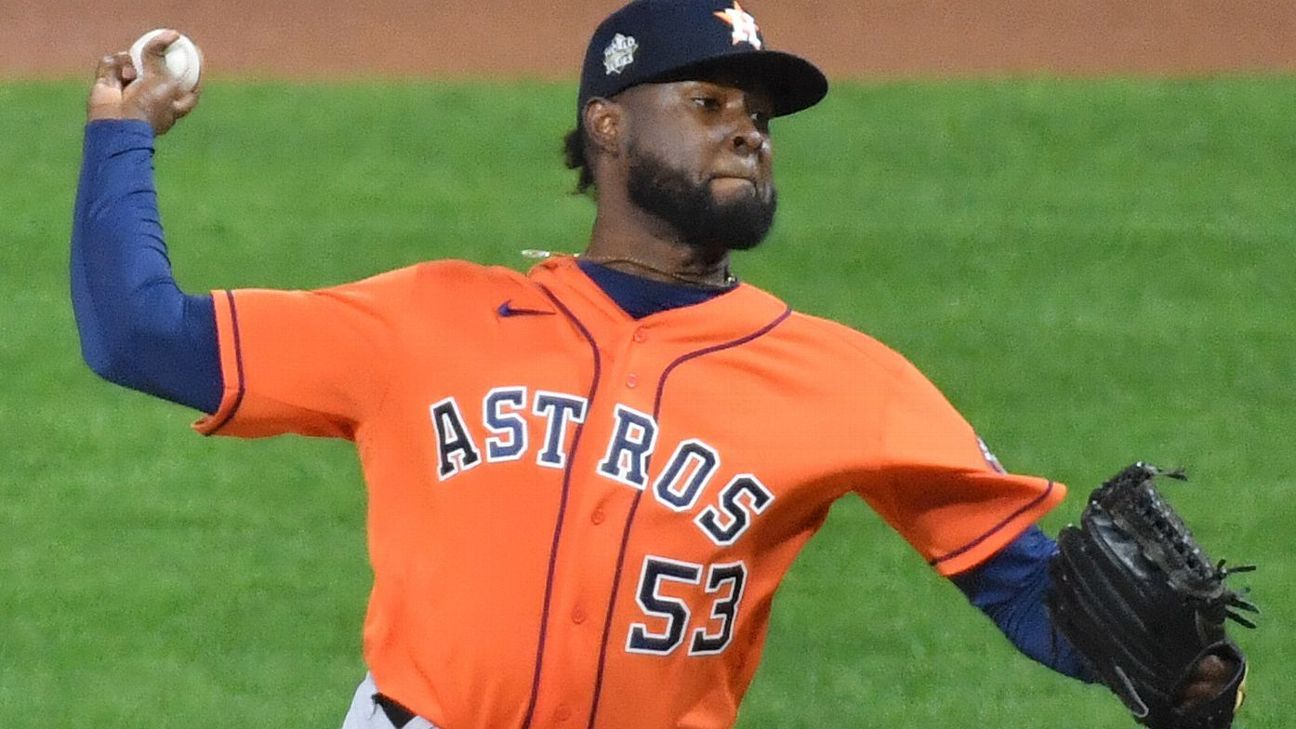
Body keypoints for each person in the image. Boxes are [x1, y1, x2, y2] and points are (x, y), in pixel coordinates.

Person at [71, 2, 1237, 727]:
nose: (748, 129)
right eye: (712, 100)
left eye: (762, 116)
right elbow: (135, 333)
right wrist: (120, 136)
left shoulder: (848, 380)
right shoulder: (424, 321)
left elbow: (1030, 588)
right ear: (610, 127)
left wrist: (1179, 681)